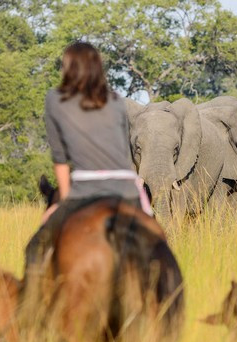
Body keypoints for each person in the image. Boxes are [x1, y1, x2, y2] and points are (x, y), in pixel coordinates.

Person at [24, 42, 150, 267]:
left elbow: (60, 158)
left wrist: (62, 201)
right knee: (158, 243)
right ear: (97, 68)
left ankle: (33, 302)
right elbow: (124, 151)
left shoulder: (55, 99)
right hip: (126, 189)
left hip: (85, 188)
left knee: (35, 250)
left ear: (68, 67)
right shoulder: (117, 101)